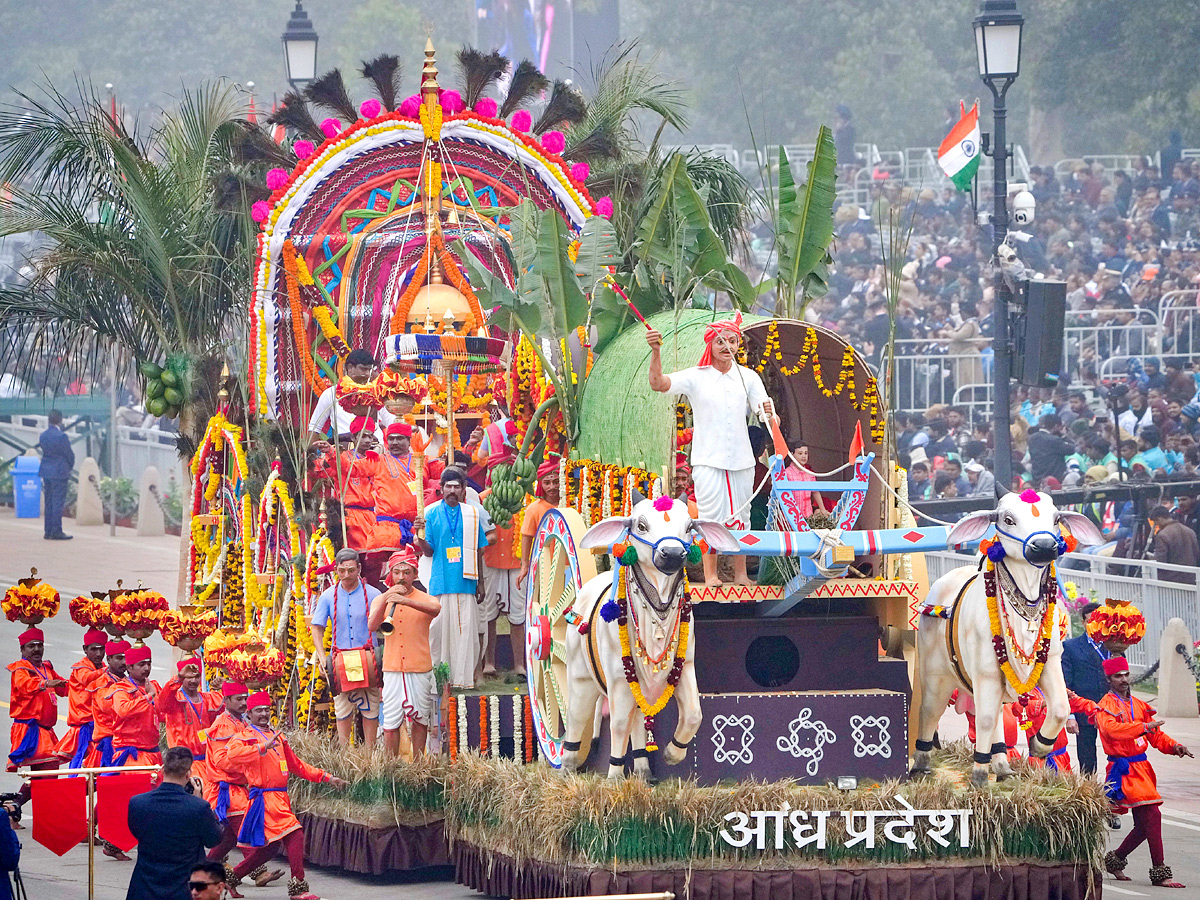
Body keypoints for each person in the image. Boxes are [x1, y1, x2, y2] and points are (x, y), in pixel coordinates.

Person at [647, 313, 774, 586]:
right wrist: (656, 352)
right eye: (720, 342)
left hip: (742, 461)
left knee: (743, 516)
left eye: (731, 341)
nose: (726, 347)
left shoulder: (748, 377)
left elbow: (765, 410)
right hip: (707, 459)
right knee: (709, 517)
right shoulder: (697, 376)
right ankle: (711, 575)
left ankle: (741, 574)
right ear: (710, 345)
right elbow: (658, 384)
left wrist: (769, 414)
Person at [222, 692, 348, 900]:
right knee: (295, 834)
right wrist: (262, 746)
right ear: (250, 713)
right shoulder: (244, 737)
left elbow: (297, 765)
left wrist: (327, 777)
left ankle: (232, 878)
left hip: (280, 798)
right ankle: (298, 887)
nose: (264, 714)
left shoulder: (278, 736)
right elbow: (231, 756)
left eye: (266, 710)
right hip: (264, 799)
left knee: (269, 850)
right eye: (258, 711)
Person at [1098, 656, 1192, 889]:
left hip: (1142, 769)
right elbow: (1113, 732)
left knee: (1145, 824)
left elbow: (1156, 735)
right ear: (1108, 679)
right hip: (1124, 770)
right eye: (1118, 676)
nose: (1123, 679)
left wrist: (1174, 746)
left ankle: (1115, 860)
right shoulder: (1105, 706)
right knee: (1153, 816)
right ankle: (1160, 872)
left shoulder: (1139, 705)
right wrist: (1143, 727)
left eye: (1125, 674)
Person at [416, 467, 493, 688]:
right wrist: (420, 536)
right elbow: (429, 551)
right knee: (438, 632)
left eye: (456, 486)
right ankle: (440, 680)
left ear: (463, 489)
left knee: (466, 632)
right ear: (441, 489)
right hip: (441, 581)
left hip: (467, 580)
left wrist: (481, 582)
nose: (452, 490)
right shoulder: (430, 514)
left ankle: (464, 679)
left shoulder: (472, 513)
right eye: (448, 486)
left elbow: (479, 550)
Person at [369, 547, 441, 757]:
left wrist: (406, 601)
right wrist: (387, 598)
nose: (401, 577)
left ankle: (418, 767)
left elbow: (436, 609)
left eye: (406, 572)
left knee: (420, 719)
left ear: (415, 575)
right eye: (397, 572)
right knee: (391, 721)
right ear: (390, 574)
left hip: (419, 668)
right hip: (392, 669)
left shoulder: (424, 598)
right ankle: (391, 768)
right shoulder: (381, 600)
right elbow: (372, 626)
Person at [126, 746, 222, 900]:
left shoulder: (137, 803)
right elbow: (213, 839)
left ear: (162, 769)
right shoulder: (198, 807)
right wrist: (199, 801)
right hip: (184, 888)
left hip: (145, 886)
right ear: (189, 774)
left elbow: (136, 832)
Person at [310, 548, 382, 748]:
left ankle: (370, 754)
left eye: (351, 570)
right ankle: (344, 754)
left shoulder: (375, 595)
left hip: (368, 659)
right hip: (340, 661)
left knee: (370, 708)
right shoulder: (327, 596)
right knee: (342, 709)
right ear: (336, 570)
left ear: (359, 568)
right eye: (342, 571)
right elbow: (317, 628)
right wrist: (322, 657)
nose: (347, 575)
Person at [479, 449, 526, 677]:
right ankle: (489, 663)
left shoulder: (526, 498)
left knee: (518, 615)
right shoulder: (483, 499)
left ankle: (520, 664)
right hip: (490, 561)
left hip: (518, 564)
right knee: (488, 614)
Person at [6, 627, 66, 804]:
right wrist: (46, 683)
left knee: (39, 776)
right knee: (49, 770)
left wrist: (85, 687)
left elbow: (63, 687)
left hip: (45, 731)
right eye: (31, 646)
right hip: (30, 729)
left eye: (39, 645)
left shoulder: (46, 668)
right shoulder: (21, 669)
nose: (36, 649)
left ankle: (12, 809)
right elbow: (25, 685)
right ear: (22, 650)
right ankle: (44, 814)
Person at [311, 416, 381, 551]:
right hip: (350, 518)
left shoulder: (376, 460)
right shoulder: (342, 458)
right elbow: (316, 470)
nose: (367, 440)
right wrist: (328, 456)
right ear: (353, 438)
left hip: (373, 518)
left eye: (370, 436)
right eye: (363, 436)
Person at [157, 659, 223, 788]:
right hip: (181, 765)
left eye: (197, 676)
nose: (193, 681)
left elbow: (234, 706)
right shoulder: (175, 699)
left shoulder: (209, 698)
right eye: (188, 677)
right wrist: (179, 678)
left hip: (207, 763)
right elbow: (162, 703)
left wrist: (226, 686)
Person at [1060, 602, 1109, 776]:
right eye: (1090, 621)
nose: (1095, 625)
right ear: (1082, 622)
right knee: (1087, 758)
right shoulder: (1071, 647)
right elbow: (1066, 684)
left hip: (1111, 711)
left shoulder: (1113, 645)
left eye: (1100, 620)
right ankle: (1089, 792)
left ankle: (1120, 790)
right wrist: (1070, 716)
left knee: (1119, 753)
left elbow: (1123, 681)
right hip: (1084, 712)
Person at [305, 348, 394, 440]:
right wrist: (311, 452)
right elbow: (314, 428)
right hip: (345, 449)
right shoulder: (331, 394)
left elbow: (391, 423)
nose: (367, 374)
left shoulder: (375, 392)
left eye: (369, 370)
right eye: (363, 369)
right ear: (350, 368)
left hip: (376, 449)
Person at [53, 627, 107, 768]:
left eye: (102, 649)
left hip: (100, 726)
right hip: (84, 726)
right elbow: (86, 679)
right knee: (78, 765)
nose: (99, 653)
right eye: (94, 649)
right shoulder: (81, 668)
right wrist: (108, 670)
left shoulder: (103, 667)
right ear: (85, 649)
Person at [109, 646, 163, 767]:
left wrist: (179, 679)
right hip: (132, 756)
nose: (147, 668)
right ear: (129, 667)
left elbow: (165, 711)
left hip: (154, 752)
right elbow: (123, 710)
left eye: (149, 664)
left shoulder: (153, 686)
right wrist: (149, 696)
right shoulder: (120, 688)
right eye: (142, 664)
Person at [374, 422, 421, 549]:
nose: (394, 442)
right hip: (388, 531)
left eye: (399, 438)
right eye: (391, 438)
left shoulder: (422, 460)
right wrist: (331, 454)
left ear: (409, 441)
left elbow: (447, 470)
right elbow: (352, 467)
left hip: (418, 529)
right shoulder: (378, 461)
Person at [517, 459, 560, 590]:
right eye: (547, 483)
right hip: (544, 566)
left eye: (556, 482)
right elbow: (527, 537)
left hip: (570, 565)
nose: (552, 487)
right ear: (541, 484)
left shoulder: (571, 503)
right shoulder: (534, 508)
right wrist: (525, 565)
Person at [37, 408, 74, 540]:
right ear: (60, 420)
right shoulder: (62, 436)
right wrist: (69, 466)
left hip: (46, 470)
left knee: (49, 501)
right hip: (59, 471)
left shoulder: (43, 435)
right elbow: (68, 454)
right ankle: (57, 530)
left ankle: (48, 530)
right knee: (58, 502)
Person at [1148, 506, 1200, 583]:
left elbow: (1160, 561)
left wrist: (1151, 558)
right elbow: (1196, 554)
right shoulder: (1190, 531)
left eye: (1156, 522)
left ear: (1159, 519)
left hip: (1171, 581)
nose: (1157, 525)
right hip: (1192, 579)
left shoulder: (1162, 535)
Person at [780, 444, 828, 518]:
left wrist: (823, 510)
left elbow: (815, 492)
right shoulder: (786, 473)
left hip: (808, 516)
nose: (804, 456)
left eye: (806, 453)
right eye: (800, 453)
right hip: (791, 517)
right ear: (792, 454)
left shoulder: (810, 473)